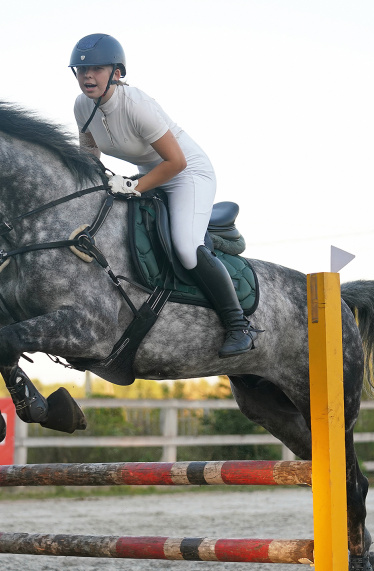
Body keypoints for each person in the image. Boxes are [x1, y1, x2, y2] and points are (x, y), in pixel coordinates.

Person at [69, 33, 260, 358]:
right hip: (150, 174)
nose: (88, 76)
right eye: (81, 69)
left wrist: (133, 186)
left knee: (187, 248)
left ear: (117, 72)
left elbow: (177, 161)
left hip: (187, 173)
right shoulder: (81, 105)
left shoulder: (137, 106)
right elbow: (89, 149)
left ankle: (239, 326)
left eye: (97, 69)